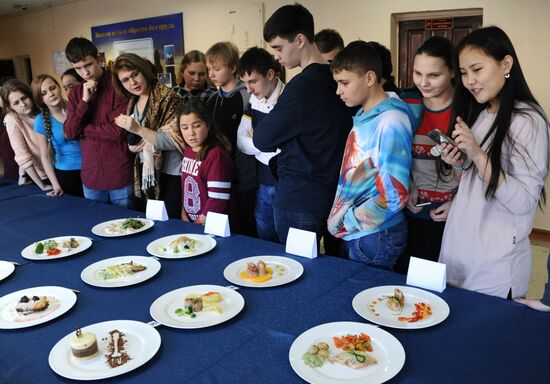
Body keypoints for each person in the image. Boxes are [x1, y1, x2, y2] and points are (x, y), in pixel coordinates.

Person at [439, 26, 550, 299]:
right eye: (464, 73)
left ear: (506, 64)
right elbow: (474, 179)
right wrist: (459, 164)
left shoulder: (528, 120)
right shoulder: (483, 111)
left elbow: (523, 201)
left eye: (477, 69)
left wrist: (477, 154)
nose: (469, 81)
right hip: (461, 248)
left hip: (494, 265)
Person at [253, 4, 353, 251]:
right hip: (336, 194)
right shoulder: (338, 79)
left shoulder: (300, 88)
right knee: (334, 273)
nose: (276, 56)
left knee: (297, 274)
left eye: (278, 48)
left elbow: (262, 139)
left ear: (300, 40)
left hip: (299, 197)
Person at [327, 41, 418, 270]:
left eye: (344, 83)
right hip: (362, 233)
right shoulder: (366, 114)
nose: (338, 91)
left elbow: (394, 194)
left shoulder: (390, 122)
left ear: (369, 78)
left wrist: (347, 221)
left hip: (376, 235)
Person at [394, 36, 457, 274]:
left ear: (452, 72)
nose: (424, 82)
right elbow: (395, 153)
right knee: (407, 278)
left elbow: (475, 167)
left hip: (449, 215)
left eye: (433, 75)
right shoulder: (407, 102)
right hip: (411, 209)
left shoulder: (468, 108)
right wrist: (407, 185)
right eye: (418, 73)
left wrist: (458, 204)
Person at [63, 37, 133, 208]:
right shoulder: (76, 93)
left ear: (99, 59)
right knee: (96, 228)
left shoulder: (119, 85)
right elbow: (70, 132)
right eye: (78, 68)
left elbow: (118, 131)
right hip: (91, 177)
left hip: (119, 174)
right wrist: (85, 101)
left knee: (130, 227)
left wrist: (83, 130)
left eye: (88, 65)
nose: (85, 72)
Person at [112, 53, 184, 218]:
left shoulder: (168, 97)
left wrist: (138, 129)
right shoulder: (133, 101)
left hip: (171, 173)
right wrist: (133, 146)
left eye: (135, 74)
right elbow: (138, 140)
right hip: (147, 174)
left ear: (144, 71)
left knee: (171, 225)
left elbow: (175, 140)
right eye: (125, 80)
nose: (133, 83)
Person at [206, 41, 256, 236]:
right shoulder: (212, 98)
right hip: (219, 171)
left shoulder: (247, 96)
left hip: (243, 174)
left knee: (246, 225)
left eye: (217, 69)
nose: (211, 74)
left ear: (233, 67)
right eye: (209, 69)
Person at [237, 47, 284, 242]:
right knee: (265, 240)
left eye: (253, 81)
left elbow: (284, 147)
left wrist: (256, 139)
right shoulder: (254, 100)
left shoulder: (288, 99)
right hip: (261, 182)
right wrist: (266, 144)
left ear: (270, 74)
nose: (248, 89)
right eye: (245, 83)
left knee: (287, 243)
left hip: (284, 184)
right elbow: (241, 140)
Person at [179, 99, 235, 226]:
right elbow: (184, 186)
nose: (191, 133)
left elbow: (218, 198)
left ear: (208, 125)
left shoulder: (216, 155)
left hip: (212, 225)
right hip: (192, 221)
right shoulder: (188, 150)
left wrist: (200, 221)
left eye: (197, 126)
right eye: (185, 128)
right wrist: (184, 212)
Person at [32, 74, 83, 197]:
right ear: (40, 99)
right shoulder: (40, 120)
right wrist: (55, 185)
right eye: (44, 93)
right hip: (67, 174)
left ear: (59, 87)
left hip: (92, 167)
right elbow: (44, 156)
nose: (51, 94)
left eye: (52, 88)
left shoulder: (78, 107)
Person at [0, 79, 51, 191]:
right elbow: (22, 156)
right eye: (16, 103)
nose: (23, 104)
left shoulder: (44, 109)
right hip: (40, 175)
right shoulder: (13, 119)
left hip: (61, 167)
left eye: (24, 98)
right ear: (10, 107)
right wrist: (42, 186)